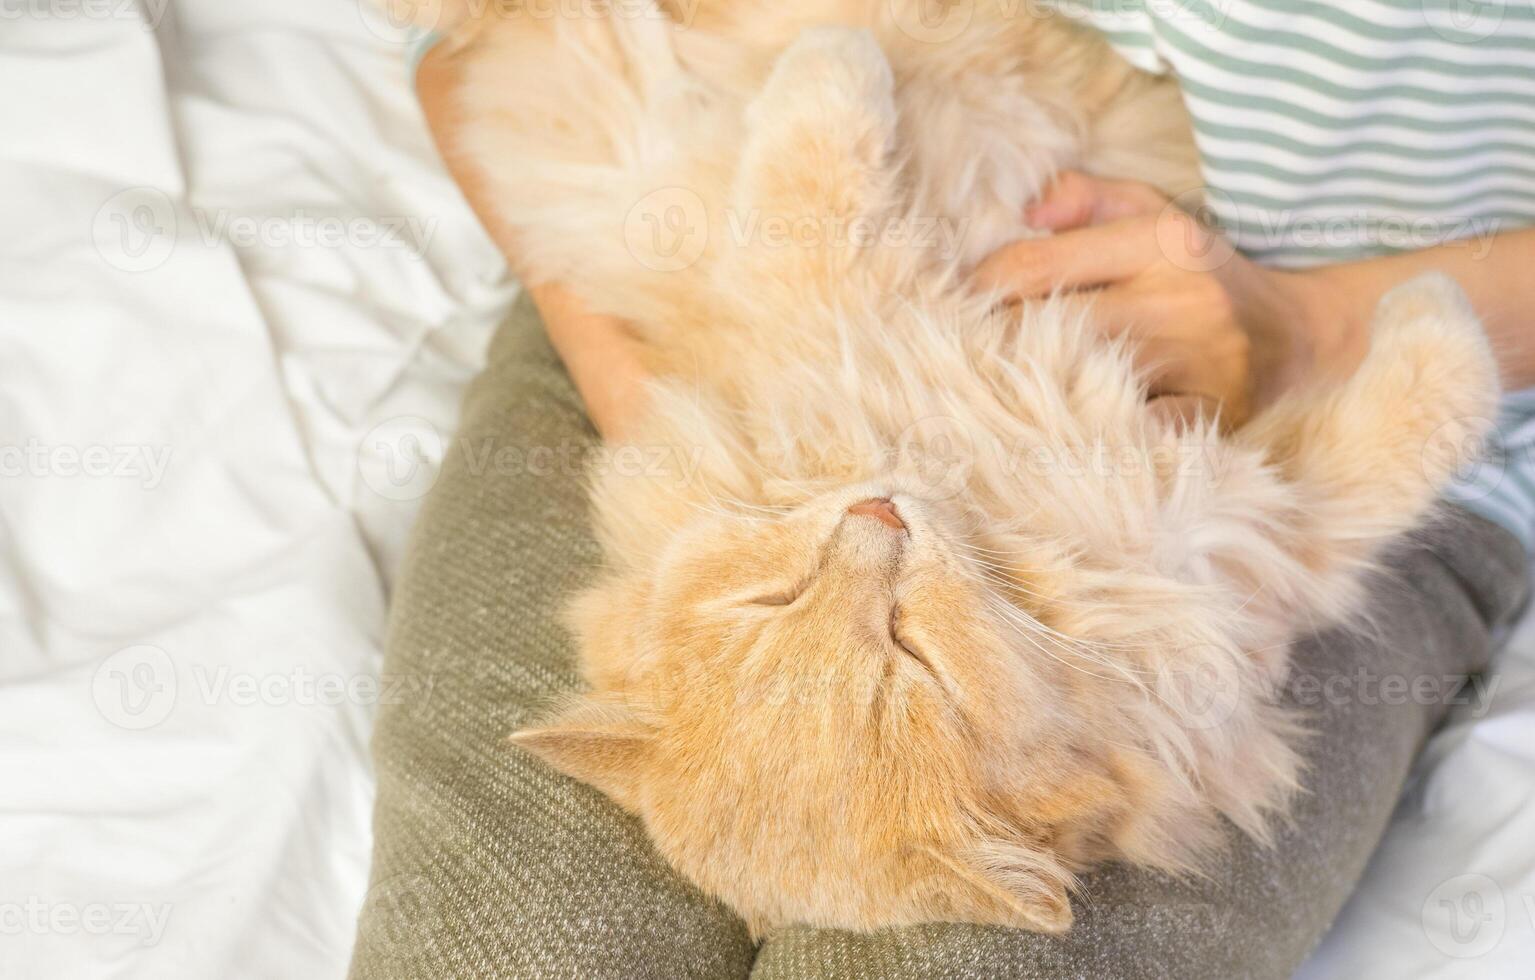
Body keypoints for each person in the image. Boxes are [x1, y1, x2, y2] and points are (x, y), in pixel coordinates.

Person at [412, 0, 1535, 546]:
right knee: (530, 903)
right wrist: (661, 420)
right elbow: (459, 47)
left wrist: (1311, 333)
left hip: (1271, 418)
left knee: (949, 917)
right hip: (642, 291)